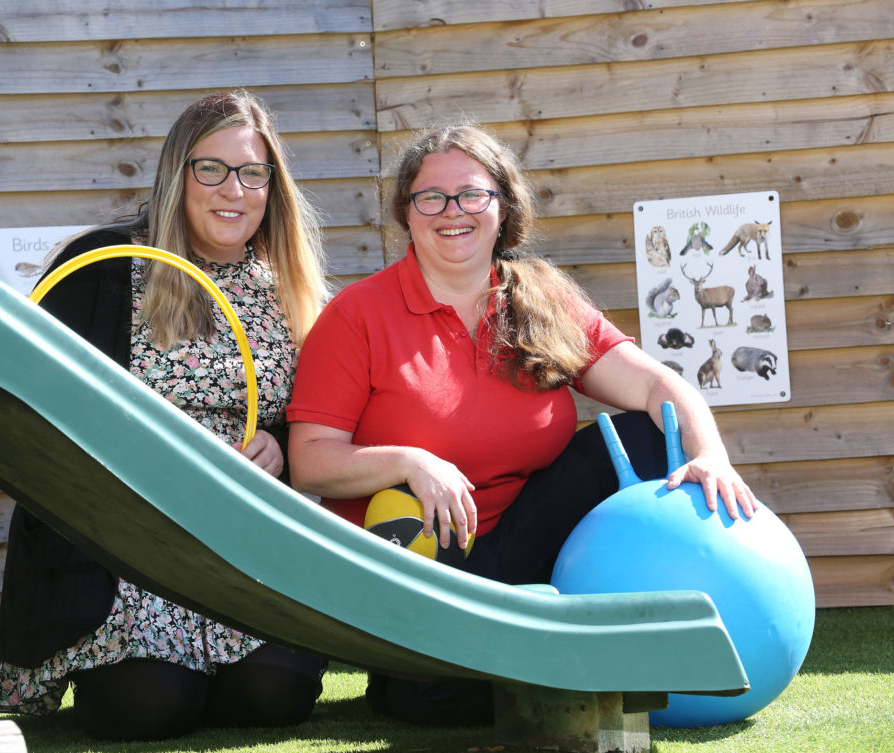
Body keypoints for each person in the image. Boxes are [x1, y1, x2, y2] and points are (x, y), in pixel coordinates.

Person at [285, 124, 758, 725]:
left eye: (471, 194)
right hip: (427, 560)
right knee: (429, 704)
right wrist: (410, 461)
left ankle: (600, 628)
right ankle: (452, 664)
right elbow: (310, 461)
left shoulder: (539, 298)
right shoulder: (357, 315)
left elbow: (657, 386)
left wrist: (712, 456)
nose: (452, 211)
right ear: (406, 213)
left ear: (503, 206)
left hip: (532, 546)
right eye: (431, 197)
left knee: (647, 435)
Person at [0, 90, 329, 741]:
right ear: (178, 173)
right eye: (212, 168)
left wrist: (282, 442)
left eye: (252, 172)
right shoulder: (106, 267)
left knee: (274, 697)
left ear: (272, 186)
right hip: (130, 548)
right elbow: (35, 411)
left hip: (244, 546)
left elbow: (317, 412)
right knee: (150, 706)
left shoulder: (287, 282)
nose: (233, 189)